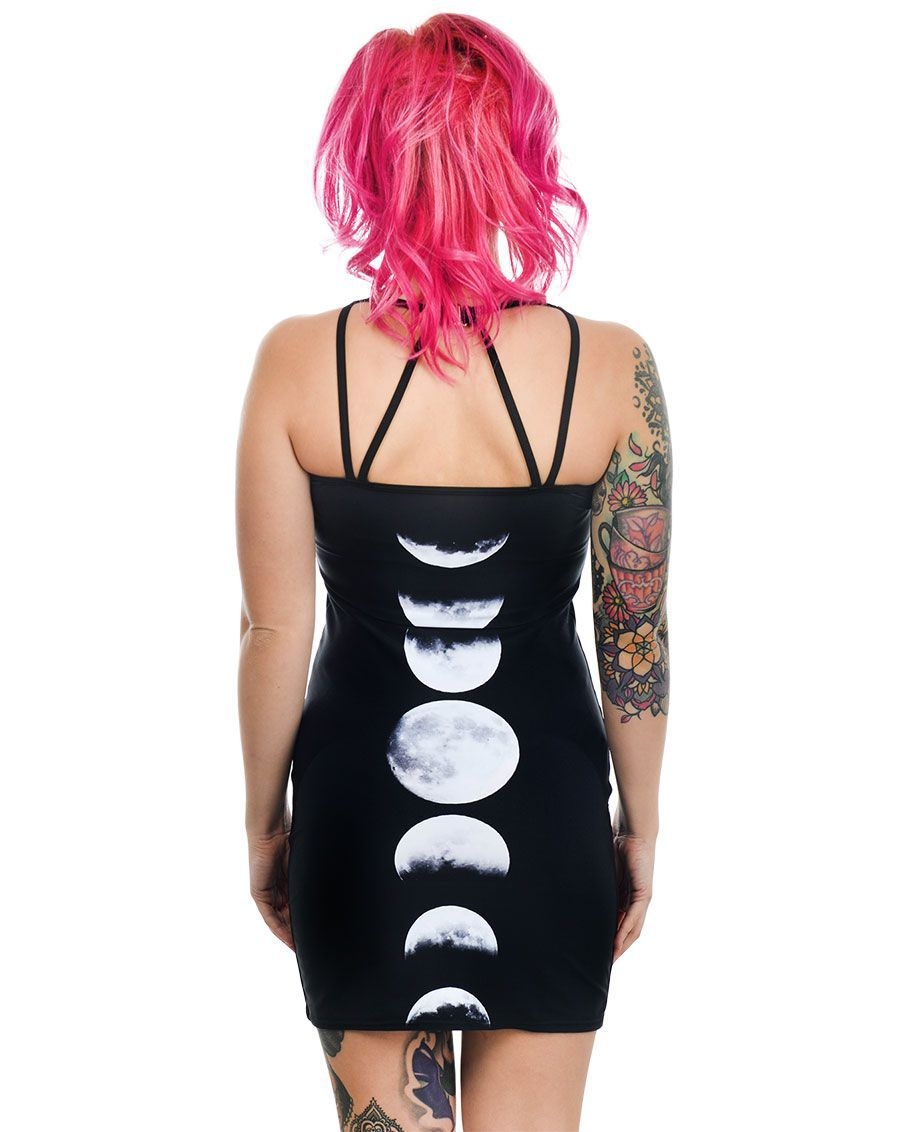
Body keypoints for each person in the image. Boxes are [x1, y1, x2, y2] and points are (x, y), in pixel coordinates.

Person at [235, 13, 671, 1132]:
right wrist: (641, 824)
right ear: (521, 153)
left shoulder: (298, 364)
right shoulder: (613, 368)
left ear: (366, 159)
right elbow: (634, 634)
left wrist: (264, 823)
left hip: (355, 814)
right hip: (553, 816)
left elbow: (273, 631)